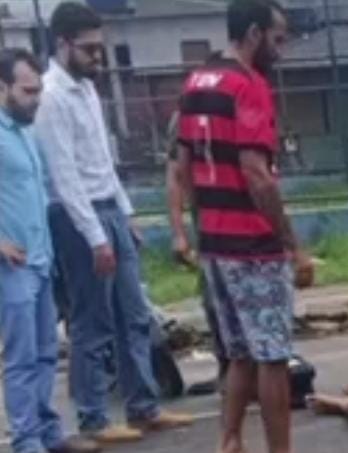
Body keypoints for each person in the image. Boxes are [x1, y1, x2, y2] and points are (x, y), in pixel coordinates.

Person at [34, 2, 194, 443]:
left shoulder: (86, 89)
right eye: (89, 49)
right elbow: (64, 176)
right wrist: (95, 236)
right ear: (63, 44)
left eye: (99, 48)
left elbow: (103, 160)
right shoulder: (51, 97)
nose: (97, 57)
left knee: (134, 313)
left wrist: (125, 215)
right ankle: (93, 418)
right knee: (93, 320)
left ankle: (143, 404)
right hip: (76, 216)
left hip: (108, 207)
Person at [175, 1, 316, 452]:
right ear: (254, 33)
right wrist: (292, 245)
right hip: (253, 245)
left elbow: (182, 166)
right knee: (272, 356)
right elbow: (257, 174)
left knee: (238, 353)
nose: (281, 50)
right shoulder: (248, 85)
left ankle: (230, 439)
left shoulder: (197, 82)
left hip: (215, 243)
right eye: (277, 39)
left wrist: (198, 224)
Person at [0, 48, 101, 453]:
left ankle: (46, 431)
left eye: (38, 90)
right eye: (27, 91)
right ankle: (27, 440)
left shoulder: (25, 132)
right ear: (3, 88)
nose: (36, 99)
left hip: (40, 259)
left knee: (45, 353)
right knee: (22, 358)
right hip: (13, 266)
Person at [164, 110, 229, 391]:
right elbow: (175, 174)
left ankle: (257, 375)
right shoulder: (187, 113)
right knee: (215, 301)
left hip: (246, 222)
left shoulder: (245, 103)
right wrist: (179, 233)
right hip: (211, 227)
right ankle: (229, 371)